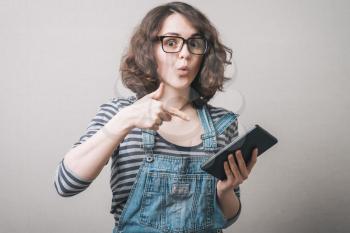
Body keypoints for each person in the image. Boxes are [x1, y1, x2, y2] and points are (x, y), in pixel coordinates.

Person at [54, 2, 258, 233]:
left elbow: (229, 218)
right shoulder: (118, 113)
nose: (185, 53)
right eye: (171, 42)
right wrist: (125, 120)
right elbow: (65, 184)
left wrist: (226, 190)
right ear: (149, 50)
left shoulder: (224, 124)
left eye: (194, 43)